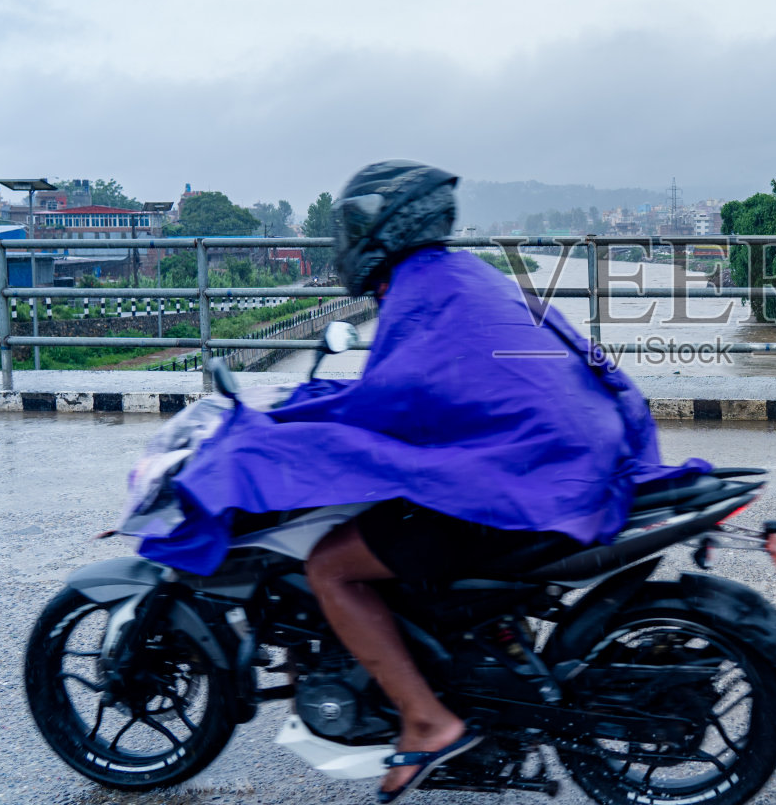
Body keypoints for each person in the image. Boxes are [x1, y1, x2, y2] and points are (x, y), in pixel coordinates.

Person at [138, 161, 707, 801]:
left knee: (331, 568)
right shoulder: (462, 277)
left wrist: (274, 435)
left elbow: (381, 415)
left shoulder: (418, 294)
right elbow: (434, 388)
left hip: (522, 478)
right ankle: (468, 658)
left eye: (350, 227)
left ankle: (429, 720)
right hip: (574, 456)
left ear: (376, 230)